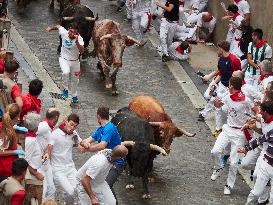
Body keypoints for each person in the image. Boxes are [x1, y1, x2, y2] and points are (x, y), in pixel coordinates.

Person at [210, 77, 252, 195]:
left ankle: (228, 185)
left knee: (234, 163)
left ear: (231, 86)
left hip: (239, 134)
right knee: (215, 151)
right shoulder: (227, 97)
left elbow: (252, 112)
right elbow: (222, 108)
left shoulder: (246, 100)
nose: (228, 86)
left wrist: (249, 122)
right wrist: (216, 105)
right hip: (227, 129)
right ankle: (218, 167)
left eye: (229, 85)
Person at [80, 106, 125, 203]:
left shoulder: (109, 128)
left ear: (98, 116)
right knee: (96, 184)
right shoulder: (100, 129)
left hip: (116, 163)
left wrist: (88, 149)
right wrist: (85, 144)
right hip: (104, 161)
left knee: (106, 185)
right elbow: (87, 140)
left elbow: (102, 145)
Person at [199, 41, 241, 137]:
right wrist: (214, 82)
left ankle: (218, 127)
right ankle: (204, 113)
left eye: (218, 49)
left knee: (219, 105)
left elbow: (238, 75)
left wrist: (232, 88)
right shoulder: (221, 59)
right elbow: (221, 72)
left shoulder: (234, 60)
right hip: (222, 84)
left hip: (230, 87)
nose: (217, 51)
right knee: (210, 97)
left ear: (222, 49)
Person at [238, 100, 273, 204]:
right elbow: (259, 140)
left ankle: (263, 199)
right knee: (256, 192)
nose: (260, 113)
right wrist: (246, 148)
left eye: (261, 111)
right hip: (266, 162)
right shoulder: (271, 132)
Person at [43, 113, 82, 205]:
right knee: (70, 191)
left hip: (70, 167)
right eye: (71, 124)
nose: (73, 128)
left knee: (79, 188)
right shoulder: (55, 134)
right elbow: (48, 149)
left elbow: (81, 145)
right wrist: (46, 157)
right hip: (58, 169)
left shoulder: (74, 134)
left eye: (75, 126)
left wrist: (87, 144)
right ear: (66, 121)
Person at [46, 24, 84, 104]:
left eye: (74, 32)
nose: (71, 34)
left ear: (77, 32)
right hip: (64, 59)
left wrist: (76, 42)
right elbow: (58, 26)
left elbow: (82, 51)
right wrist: (50, 28)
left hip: (75, 62)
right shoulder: (64, 33)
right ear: (69, 29)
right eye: (70, 31)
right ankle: (65, 90)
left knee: (75, 80)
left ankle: (74, 95)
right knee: (66, 72)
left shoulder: (80, 39)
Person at [36, 108, 60, 200]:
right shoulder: (44, 126)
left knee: (52, 189)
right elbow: (31, 133)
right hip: (39, 163)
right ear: (56, 118)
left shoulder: (49, 126)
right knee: (44, 189)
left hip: (46, 162)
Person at [0, 103, 25, 183]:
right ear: (17, 117)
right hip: (5, 169)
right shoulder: (9, 133)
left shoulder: (3, 125)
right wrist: (14, 151)